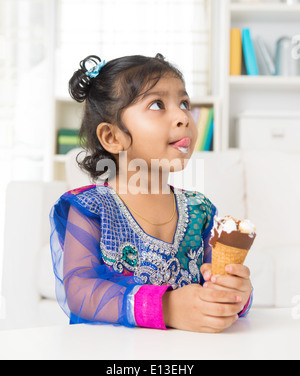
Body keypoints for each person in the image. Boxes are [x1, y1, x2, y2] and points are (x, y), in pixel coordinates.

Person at [50, 54, 253, 333]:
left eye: (184, 103)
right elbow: (80, 292)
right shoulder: (91, 207)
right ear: (112, 137)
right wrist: (167, 307)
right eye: (157, 104)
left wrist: (235, 292)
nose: (183, 117)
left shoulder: (199, 209)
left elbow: (213, 285)